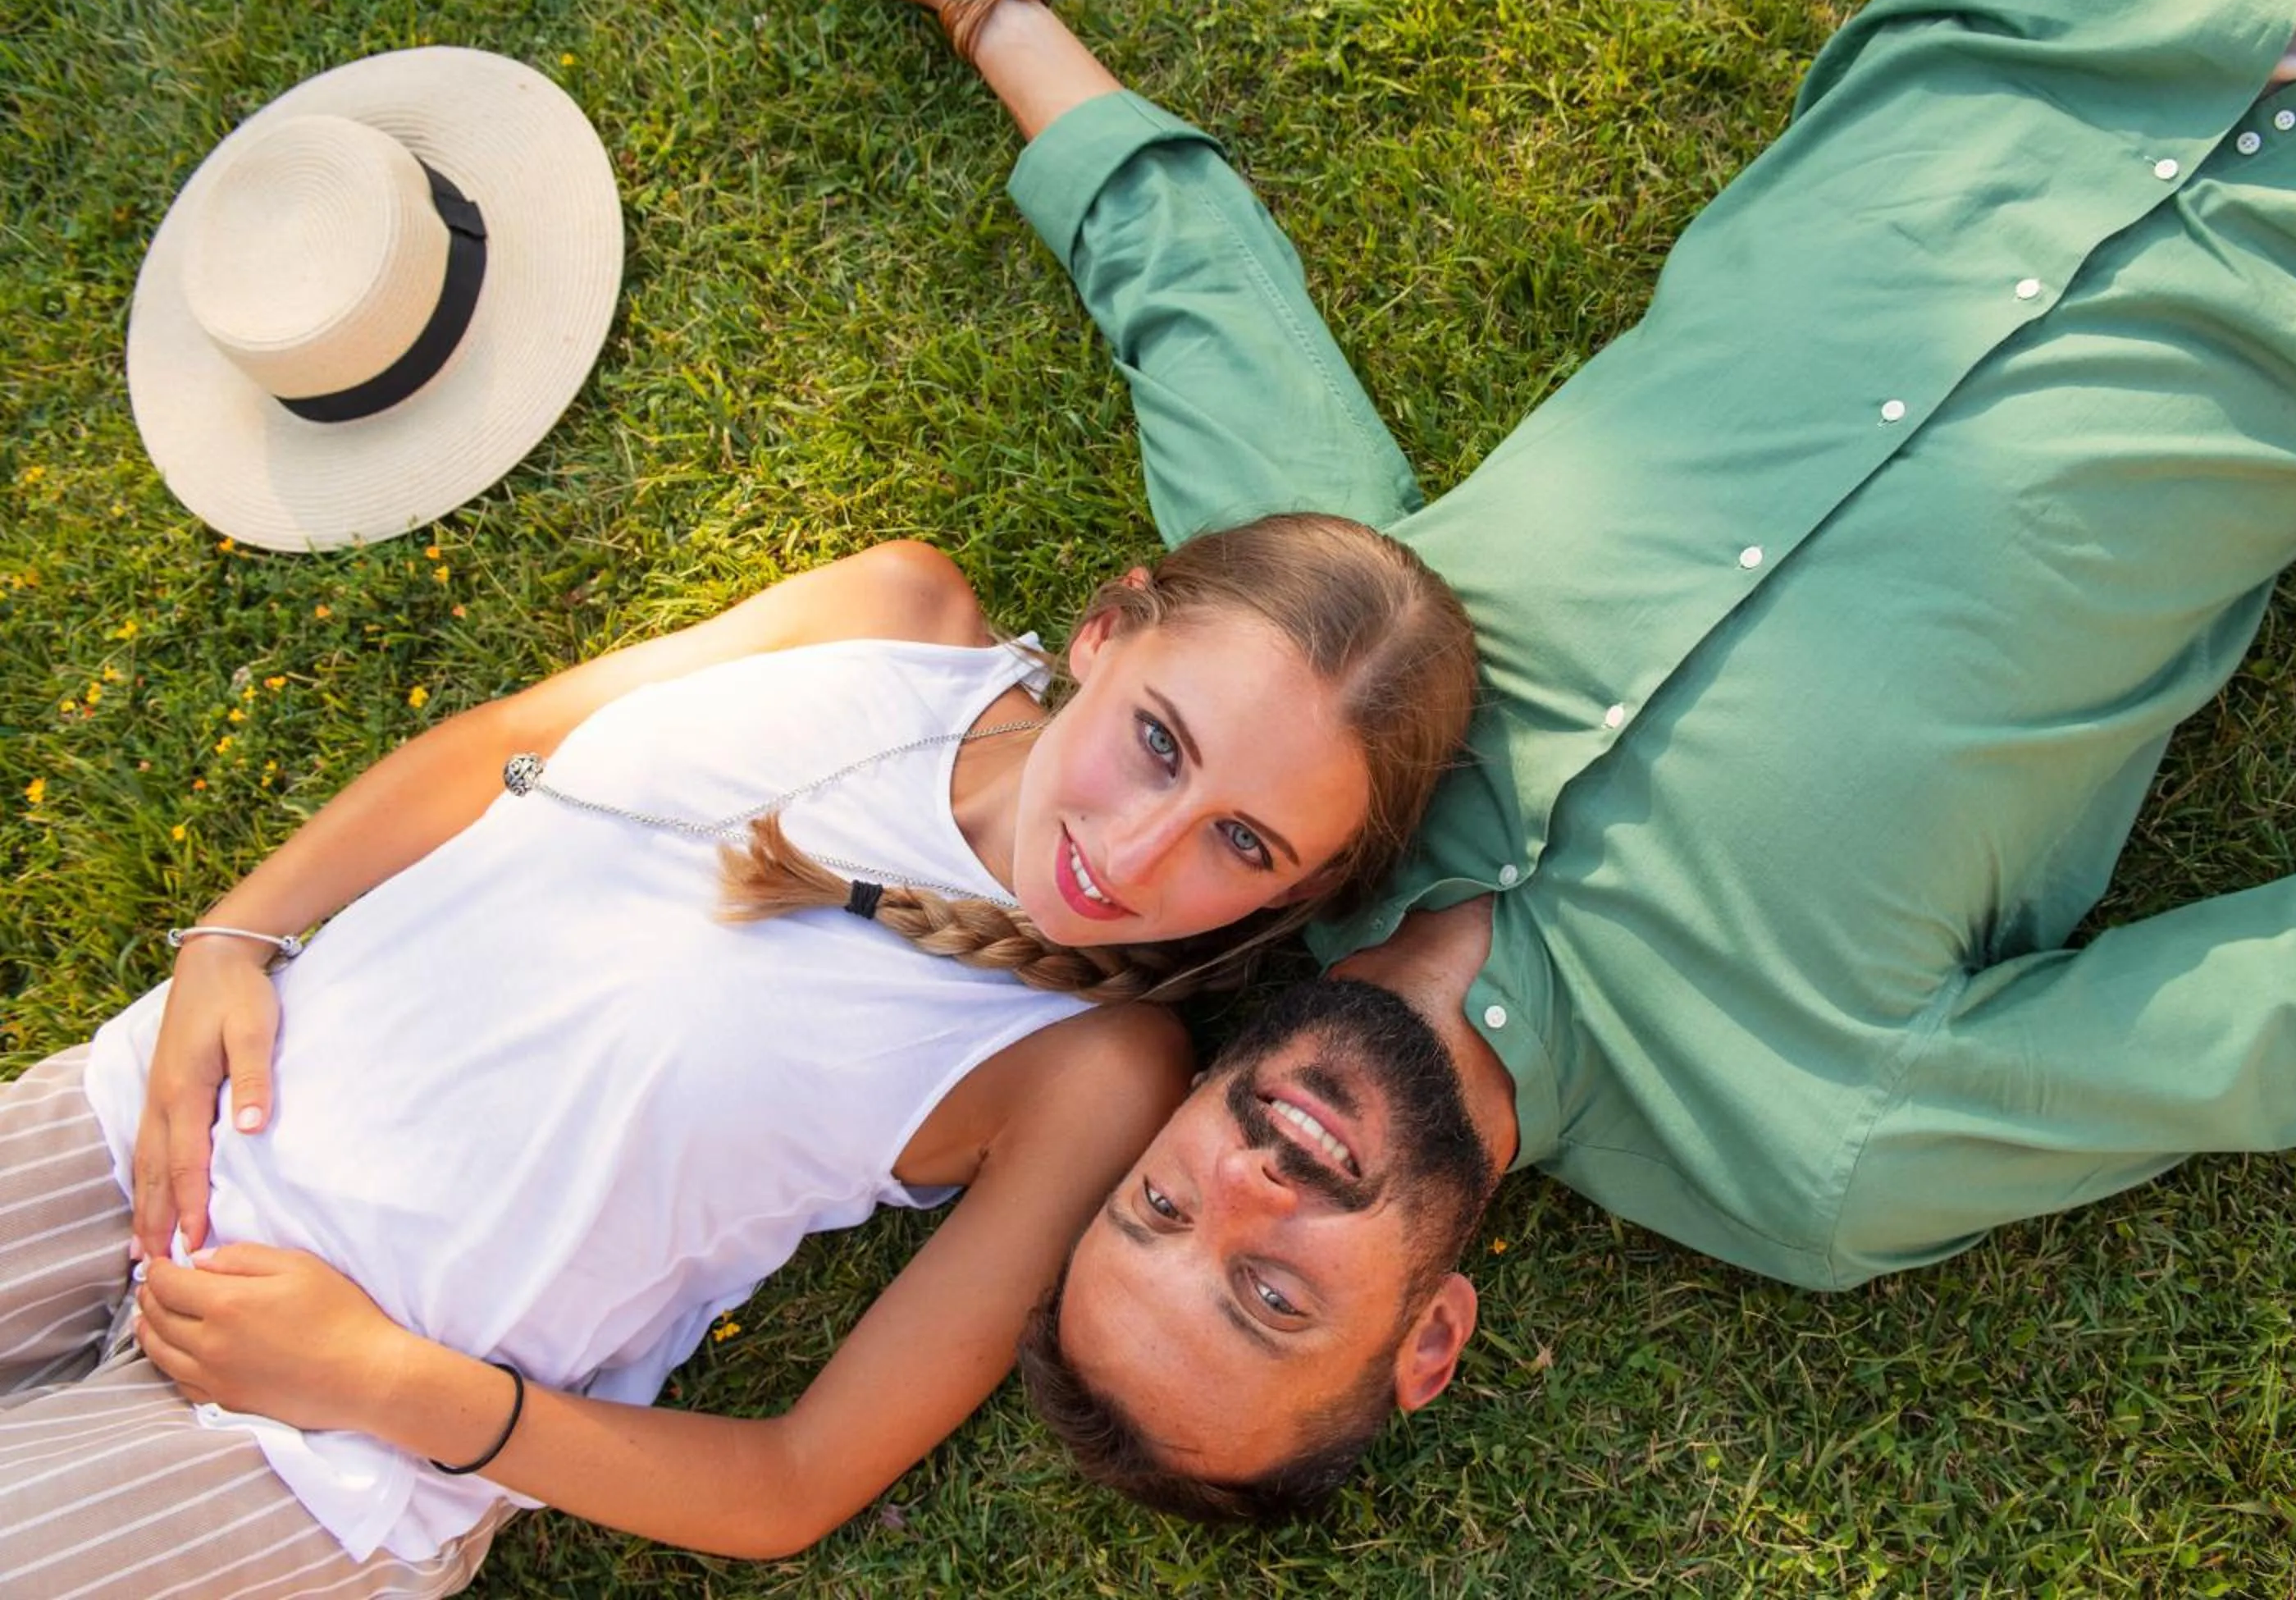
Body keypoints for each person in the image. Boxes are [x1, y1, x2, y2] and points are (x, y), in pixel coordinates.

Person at [854, 0, 2296, 1518]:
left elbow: (1201, 307)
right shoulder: (1817, 1149)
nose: (1250, 1187)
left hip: (2065, 15)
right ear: (1429, 1340)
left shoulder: (1299, 742)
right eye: (1272, 1295)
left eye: (1160, 1204)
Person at [0, 516, 1476, 1586]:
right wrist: (231, 939)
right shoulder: (895, 612)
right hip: (140, 1123)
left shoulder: (1088, 1067)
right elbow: (506, 750)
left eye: (1242, 843)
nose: (1138, 855)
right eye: (1159, 740)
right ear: (1107, 632)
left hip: (316, 1457)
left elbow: (792, 1482)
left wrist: (389, 1385)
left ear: (1292, 895)